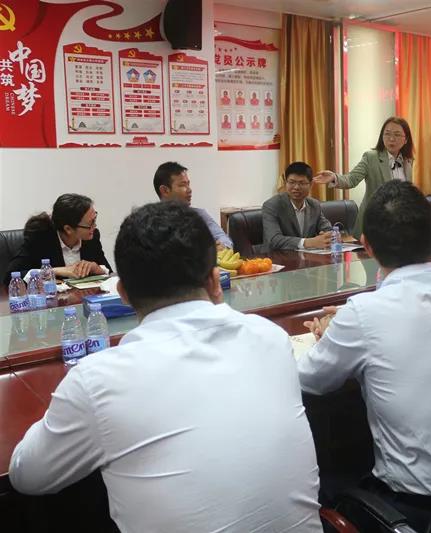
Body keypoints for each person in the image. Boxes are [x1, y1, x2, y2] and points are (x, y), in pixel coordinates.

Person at [9, 202, 323, 533]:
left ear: (123, 294)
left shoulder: (98, 380)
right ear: (216, 281)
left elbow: (26, 474)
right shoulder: (271, 339)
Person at [296, 181, 431, 530]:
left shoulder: (363, 314)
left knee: (324, 480)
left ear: (366, 246)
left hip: (415, 512)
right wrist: (349, 325)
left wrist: (331, 335)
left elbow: (308, 379)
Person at [313, 116, 414, 237]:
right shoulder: (371, 157)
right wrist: (334, 177)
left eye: (397, 134)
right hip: (374, 221)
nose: (391, 139)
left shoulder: (407, 161)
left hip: (397, 224)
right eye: (387, 134)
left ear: (406, 139)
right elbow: (352, 179)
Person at [4, 194, 111, 286]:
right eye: (90, 223)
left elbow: (110, 273)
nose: (94, 226)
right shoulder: (39, 238)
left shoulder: (91, 237)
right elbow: (10, 277)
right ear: (68, 229)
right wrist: (55, 271)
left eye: (94, 219)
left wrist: (96, 268)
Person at [153, 162, 233, 249]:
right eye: (182, 185)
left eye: (188, 184)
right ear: (165, 190)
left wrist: (223, 246)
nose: (189, 190)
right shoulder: (150, 222)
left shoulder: (199, 215)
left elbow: (223, 238)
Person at [261, 162, 333, 252]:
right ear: (285, 182)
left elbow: (327, 229)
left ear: (311, 184)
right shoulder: (272, 205)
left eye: (302, 183)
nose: (296, 187)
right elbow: (274, 240)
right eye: (292, 182)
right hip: (277, 258)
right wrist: (308, 242)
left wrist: (327, 236)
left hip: (307, 258)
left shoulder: (314, 205)